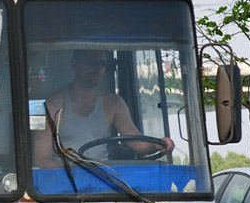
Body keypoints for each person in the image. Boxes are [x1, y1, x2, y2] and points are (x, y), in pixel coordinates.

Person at [33, 49, 174, 165]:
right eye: (91, 62)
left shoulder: (114, 103)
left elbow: (135, 141)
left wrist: (157, 144)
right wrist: (72, 180)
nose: (98, 68)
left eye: (102, 64)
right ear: (75, 65)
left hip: (104, 180)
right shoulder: (51, 106)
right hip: (65, 184)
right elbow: (41, 158)